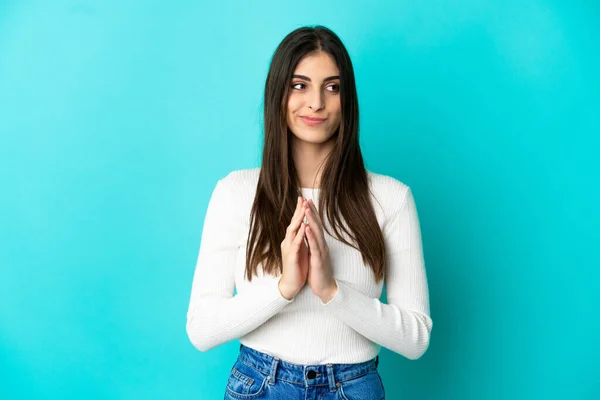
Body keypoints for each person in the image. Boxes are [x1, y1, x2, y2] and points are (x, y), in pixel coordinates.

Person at [186, 25, 433, 400]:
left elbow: (416, 338)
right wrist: (284, 287)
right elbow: (201, 330)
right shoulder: (236, 192)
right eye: (299, 85)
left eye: (332, 87)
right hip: (260, 385)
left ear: (347, 99)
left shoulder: (390, 198)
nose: (316, 103)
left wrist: (331, 290)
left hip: (354, 388)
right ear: (278, 95)